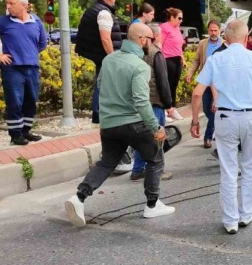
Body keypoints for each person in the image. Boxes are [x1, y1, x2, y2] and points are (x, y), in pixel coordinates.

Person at [65, 23, 175, 227]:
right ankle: (152, 205)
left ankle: (79, 197)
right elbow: (141, 102)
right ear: (142, 40)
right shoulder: (140, 65)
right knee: (156, 159)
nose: (151, 44)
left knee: (106, 163)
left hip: (109, 125)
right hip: (133, 122)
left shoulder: (108, 60)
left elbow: (100, 86)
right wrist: (155, 127)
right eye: (150, 40)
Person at [190, 20, 252, 235]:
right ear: (247, 36)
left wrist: (194, 121)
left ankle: (230, 220)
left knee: (228, 170)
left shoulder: (216, 59)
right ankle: (246, 214)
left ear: (226, 37)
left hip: (225, 117)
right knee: (249, 166)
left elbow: (196, 93)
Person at [0, 0, 47, 146]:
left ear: (23, 5)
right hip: (12, 69)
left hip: (32, 68)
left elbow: (43, 43)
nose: (8, 6)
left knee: (31, 100)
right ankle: (15, 134)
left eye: (11, 3)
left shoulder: (36, 21)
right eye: (7, 3)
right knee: (15, 102)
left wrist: (29, 53)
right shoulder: (4, 21)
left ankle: (25, 131)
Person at [130, 24, 174, 182]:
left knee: (143, 138)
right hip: (154, 102)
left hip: (137, 102)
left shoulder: (133, 54)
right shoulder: (156, 53)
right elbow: (163, 81)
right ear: (154, 36)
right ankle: (157, 171)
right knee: (156, 139)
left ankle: (137, 170)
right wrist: (168, 104)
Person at [76, 0, 122, 125]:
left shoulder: (93, 9)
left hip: (95, 52)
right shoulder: (104, 13)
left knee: (101, 82)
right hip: (102, 54)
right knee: (103, 83)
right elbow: (105, 38)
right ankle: (98, 113)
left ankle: (100, 112)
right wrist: (113, 57)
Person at [185, 20, 222, 148]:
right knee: (207, 108)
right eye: (211, 30)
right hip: (205, 80)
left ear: (220, 30)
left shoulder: (225, 44)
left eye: (215, 30)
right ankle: (217, 127)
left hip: (219, 82)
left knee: (214, 109)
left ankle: (207, 137)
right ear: (208, 31)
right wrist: (190, 73)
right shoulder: (202, 43)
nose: (213, 33)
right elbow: (196, 61)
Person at [159, 8, 186, 121]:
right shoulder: (164, 27)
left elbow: (179, 46)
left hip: (177, 59)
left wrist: (183, 59)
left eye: (182, 18)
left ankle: (172, 109)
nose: (181, 20)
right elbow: (159, 44)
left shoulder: (177, 28)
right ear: (172, 17)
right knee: (167, 86)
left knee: (174, 85)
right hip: (167, 59)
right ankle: (165, 110)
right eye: (179, 18)